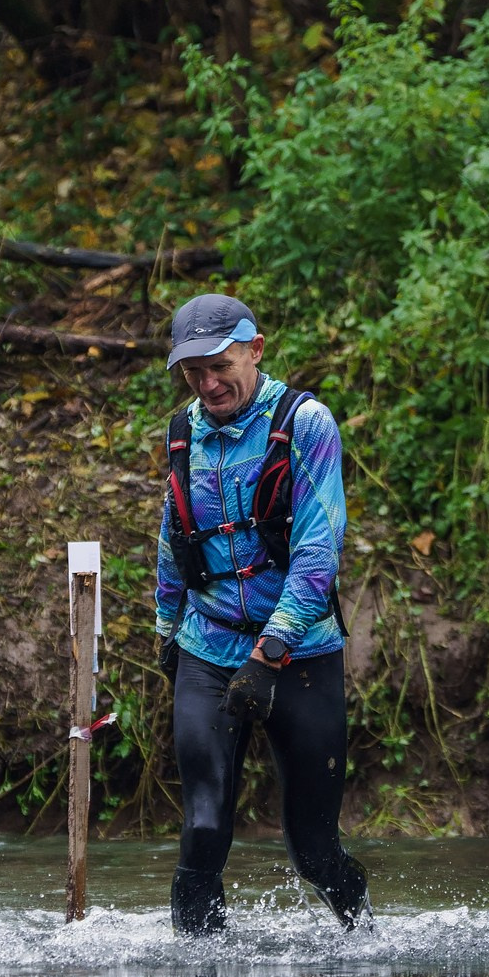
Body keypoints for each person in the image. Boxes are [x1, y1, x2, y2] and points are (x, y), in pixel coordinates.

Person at [154, 292, 368, 936]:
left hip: (299, 655)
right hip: (208, 646)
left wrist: (270, 651)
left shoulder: (307, 423)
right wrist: (167, 631)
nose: (208, 384)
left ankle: (361, 942)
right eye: (193, 372)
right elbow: (174, 535)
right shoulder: (183, 429)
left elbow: (318, 549)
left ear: (256, 349)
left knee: (314, 851)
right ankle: (194, 975)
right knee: (203, 827)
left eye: (220, 367)